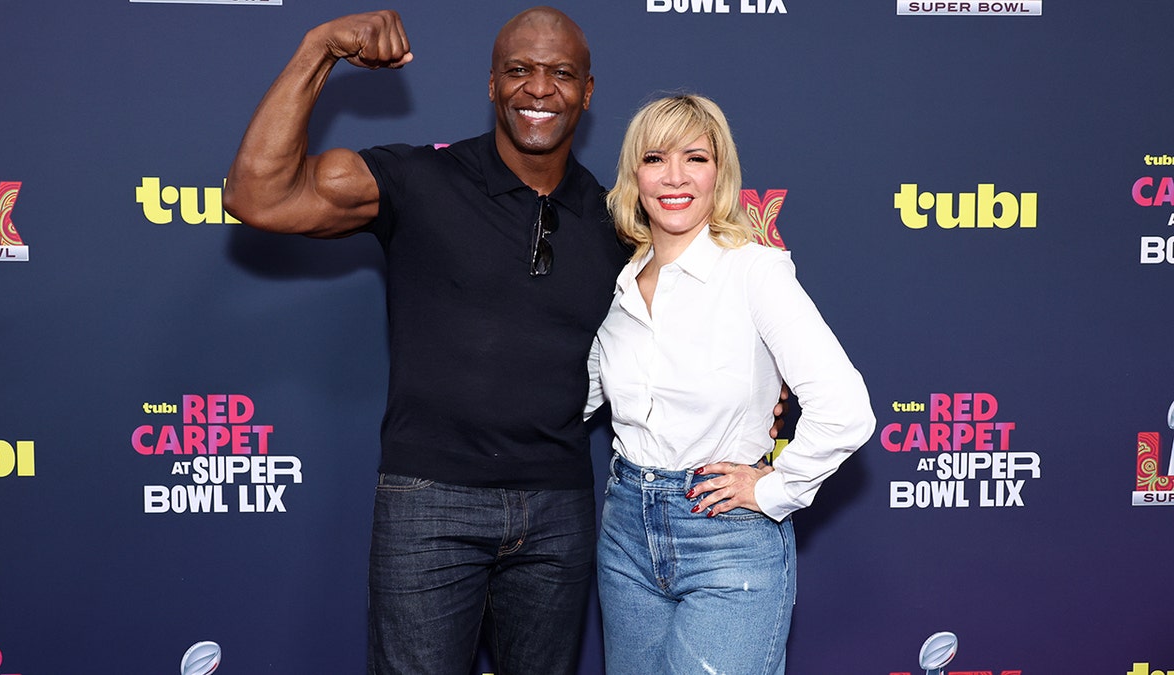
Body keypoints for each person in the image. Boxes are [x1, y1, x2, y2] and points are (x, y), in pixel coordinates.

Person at [222, 8, 627, 675]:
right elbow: (256, 195)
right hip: (430, 503)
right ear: (492, 84)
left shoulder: (618, 223)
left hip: (559, 509)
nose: (538, 90)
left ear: (587, 90)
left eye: (560, 74)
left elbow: (693, 337)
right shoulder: (419, 181)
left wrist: (767, 397)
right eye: (519, 71)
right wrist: (317, 48)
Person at [585, 94, 877, 675]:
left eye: (695, 158)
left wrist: (774, 490)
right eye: (655, 157)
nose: (674, 177)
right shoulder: (616, 284)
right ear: (633, 174)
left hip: (727, 539)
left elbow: (845, 409)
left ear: (719, 174)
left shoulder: (753, 271)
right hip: (623, 535)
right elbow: (576, 397)